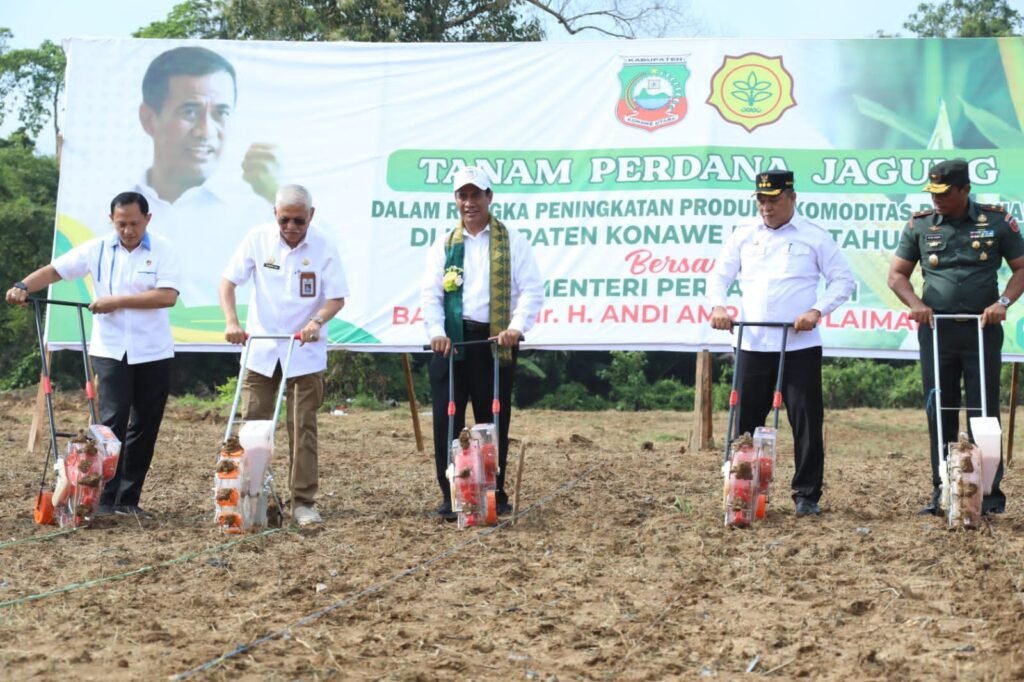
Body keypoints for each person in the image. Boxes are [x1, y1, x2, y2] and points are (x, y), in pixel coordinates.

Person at [5, 191, 181, 517]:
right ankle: (102, 497)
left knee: (145, 423)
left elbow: (167, 296)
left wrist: (116, 301)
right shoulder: (97, 248)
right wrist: (24, 285)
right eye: (121, 224)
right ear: (111, 221)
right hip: (111, 349)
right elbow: (56, 270)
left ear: (148, 220)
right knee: (111, 424)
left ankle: (128, 499)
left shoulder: (164, 250)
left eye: (134, 224)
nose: (128, 230)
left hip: (153, 350)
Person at [707, 170, 855, 517]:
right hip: (753, 342)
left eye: (773, 200)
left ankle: (806, 495)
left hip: (798, 344)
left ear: (792, 197)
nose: (766, 207)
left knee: (806, 420)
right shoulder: (744, 234)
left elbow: (842, 280)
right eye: (761, 200)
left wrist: (817, 310)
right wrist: (718, 305)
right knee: (744, 419)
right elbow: (719, 275)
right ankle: (741, 487)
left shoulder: (813, 236)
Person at [887, 158, 1024, 516]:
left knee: (984, 412)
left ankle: (989, 492)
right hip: (937, 332)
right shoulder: (920, 225)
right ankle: (944, 489)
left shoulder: (996, 221)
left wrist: (1003, 302)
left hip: (982, 330)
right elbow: (897, 275)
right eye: (933, 192)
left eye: (945, 193)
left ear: (965, 189)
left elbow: (1021, 268)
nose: (937, 199)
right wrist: (915, 303)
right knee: (939, 408)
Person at [219, 184, 348, 526]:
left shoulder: (324, 247)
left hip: (303, 350)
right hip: (261, 348)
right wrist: (232, 322)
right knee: (253, 427)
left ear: (311, 216)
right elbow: (228, 282)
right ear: (274, 215)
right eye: (285, 220)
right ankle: (250, 496)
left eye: (299, 221)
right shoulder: (257, 239)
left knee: (302, 426)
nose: (291, 227)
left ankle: (303, 502)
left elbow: (336, 298)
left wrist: (316, 321)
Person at [420, 166, 544, 521]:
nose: (469, 202)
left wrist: (516, 328)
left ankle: (493, 491)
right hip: (451, 342)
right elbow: (430, 295)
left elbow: (532, 290)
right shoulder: (445, 244)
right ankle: (452, 494)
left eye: (476, 195)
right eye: (463, 195)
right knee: (447, 420)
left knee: (492, 419)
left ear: (490, 197)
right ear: (456, 200)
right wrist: (436, 332)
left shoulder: (512, 241)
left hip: (494, 342)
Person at [136, 45, 280, 306]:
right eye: (189, 112)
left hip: (230, 344)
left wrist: (276, 196)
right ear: (149, 118)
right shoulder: (109, 211)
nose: (205, 131)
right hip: (138, 345)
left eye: (221, 113)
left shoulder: (260, 212)